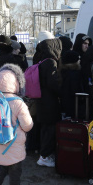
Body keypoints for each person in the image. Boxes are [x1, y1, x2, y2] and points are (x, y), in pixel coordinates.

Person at [0, 64, 34, 185]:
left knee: (3, 166)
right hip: (14, 143)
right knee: (15, 171)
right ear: (16, 83)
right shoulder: (18, 103)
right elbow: (27, 125)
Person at [34, 37, 62, 168]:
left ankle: (43, 154)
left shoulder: (41, 60)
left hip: (41, 100)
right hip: (49, 101)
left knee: (45, 128)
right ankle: (44, 156)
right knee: (50, 129)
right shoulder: (51, 62)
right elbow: (52, 83)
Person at [59, 50, 83, 118]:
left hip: (63, 107)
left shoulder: (61, 72)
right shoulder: (75, 74)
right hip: (74, 108)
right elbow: (76, 90)